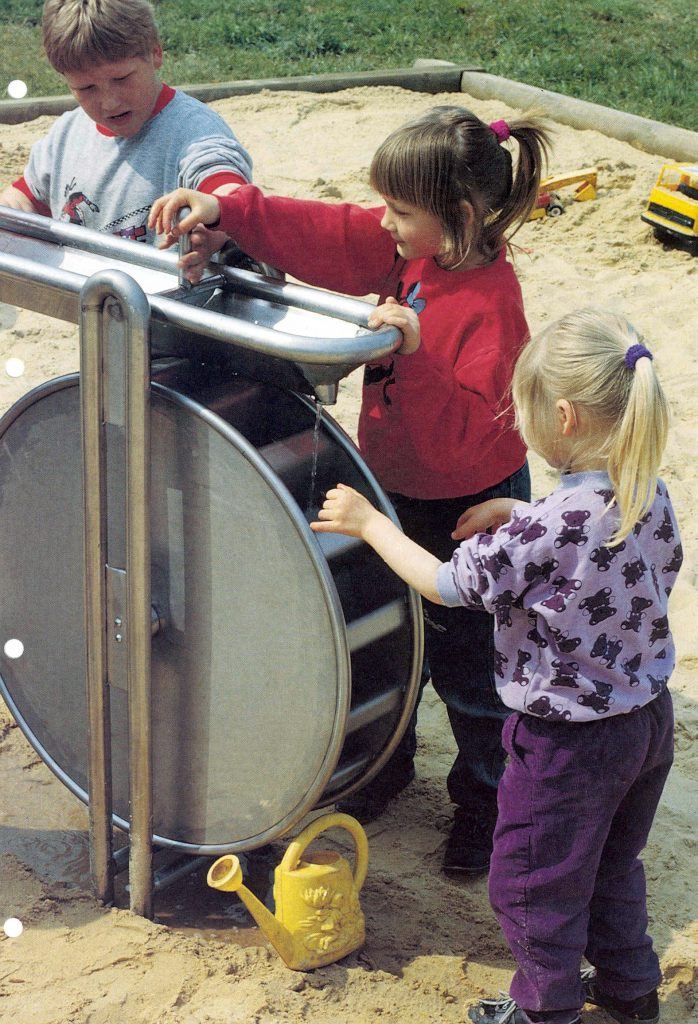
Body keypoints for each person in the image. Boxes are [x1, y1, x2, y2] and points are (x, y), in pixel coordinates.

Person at [149, 105, 551, 874]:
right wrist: (229, 209)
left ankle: (489, 804)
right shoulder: (416, 249)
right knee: (391, 635)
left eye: (399, 212)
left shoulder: (491, 303)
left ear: (459, 217)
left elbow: (481, 421)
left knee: (474, 664)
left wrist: (416, 346)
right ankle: (384, 763)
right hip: (389, 489)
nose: (385, 224)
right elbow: (330, 233)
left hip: (466, 507)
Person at [310, 307, 680, 1024]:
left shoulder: (546, 531)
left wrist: (368, 522)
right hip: (644, 725)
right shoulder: (645, 492)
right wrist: (521, 508)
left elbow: (445, 583)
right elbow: (601, 551)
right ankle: (632, 991)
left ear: (564, 418)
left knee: (532, 884)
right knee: (610, 864)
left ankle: (545, 1010)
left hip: (566, 744)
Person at [0, 0, 253, 281]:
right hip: (96, 307)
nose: (109, 103)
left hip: (177, 309)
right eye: (86, 88)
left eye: (121, 79)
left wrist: (213, 227)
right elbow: (25, 202)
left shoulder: (194, 132)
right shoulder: (65, 137)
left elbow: (227, 188)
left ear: (155, 53)